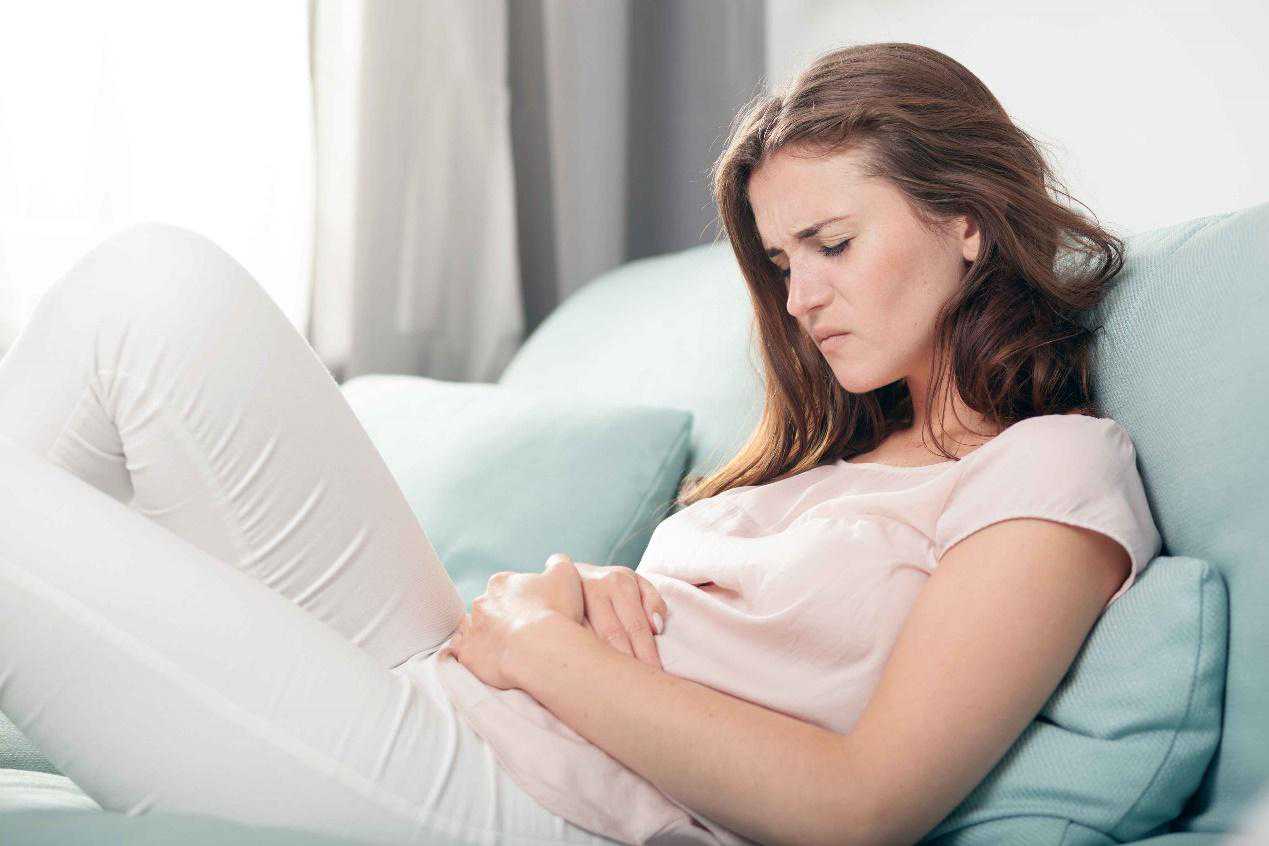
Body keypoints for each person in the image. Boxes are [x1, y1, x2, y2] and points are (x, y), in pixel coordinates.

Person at [0, 41, 1162, 846]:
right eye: (779, 262)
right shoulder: (824, 462)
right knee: (148, 290)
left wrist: (542, 650)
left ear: (966, 221)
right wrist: (553, 601)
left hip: (533, 804)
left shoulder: (1049, 469)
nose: (800, 296)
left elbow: (859, 808)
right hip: (454, 687)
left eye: (832, 243)